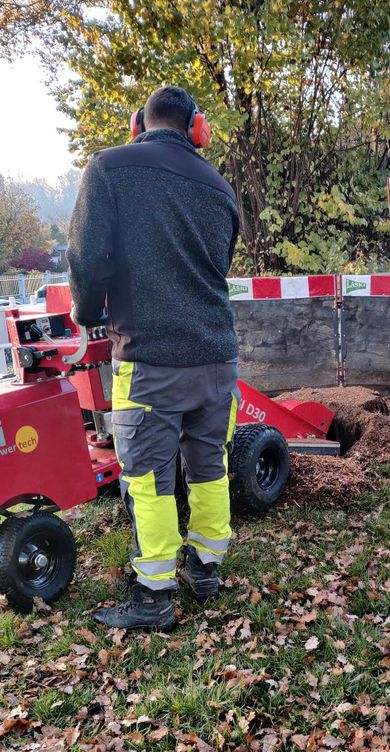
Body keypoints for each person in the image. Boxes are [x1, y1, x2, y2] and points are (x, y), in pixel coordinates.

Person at [67, 85, 240, 631]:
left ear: (139, 126)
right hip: (217, 358)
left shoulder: (110, 168)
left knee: (149, 478)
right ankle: (206, 571)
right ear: (196, 128)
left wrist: (87, 310)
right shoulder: (221, 189)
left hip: (151, 361)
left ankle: (153, 597)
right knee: (211, 466)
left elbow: (87, 257)